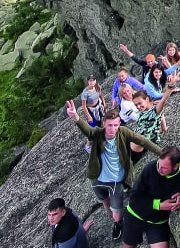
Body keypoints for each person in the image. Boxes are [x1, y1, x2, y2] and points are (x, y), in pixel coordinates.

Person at [66, 101, 162, 238]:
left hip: (116, 180)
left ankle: (117, 223)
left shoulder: (123, 132)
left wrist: (162, 153)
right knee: (105, 201)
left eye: (116, 125)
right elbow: (87, 129)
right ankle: (114, 220)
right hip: (97, 179)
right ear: (104, 124)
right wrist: (75, 116)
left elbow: (143, 141)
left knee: (117, 208)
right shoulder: (98, 134)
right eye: (110, 125)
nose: (113, 129)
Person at [129, 89, 167, 156]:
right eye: (136, 105)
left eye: (140, 103)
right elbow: (161, 114)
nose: (138, 107)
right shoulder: (143, 111)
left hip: (135, 149)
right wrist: (163, 126)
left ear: (146, 99)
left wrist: (170, 87)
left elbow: (163, 102)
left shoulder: (153, 112)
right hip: (133, 140)